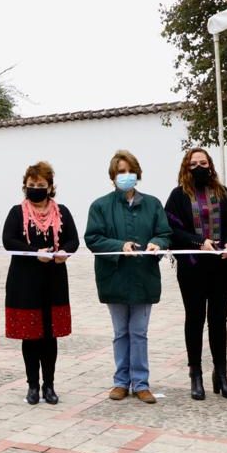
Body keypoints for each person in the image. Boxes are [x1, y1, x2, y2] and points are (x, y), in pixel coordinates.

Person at [85, 150, 172, 404]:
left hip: (144, 276)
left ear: (137, 174)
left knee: (139, 332)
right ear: (113, 176)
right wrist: (119, 246)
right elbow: (93, 238)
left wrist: (157, 243)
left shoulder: (153, 204)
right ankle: (121, 382)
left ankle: (142, 383)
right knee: (120, 332)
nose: (126, 176)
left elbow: (165, 233)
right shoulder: (100, 206)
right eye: (120, 171)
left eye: (129, 171)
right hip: (114, 277)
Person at [164, 147, 227, 401]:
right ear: (186, 167)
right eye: (194, 163)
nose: (199, 167)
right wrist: (200, 243)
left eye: (203, 162)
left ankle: (221, 375)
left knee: (219, 320)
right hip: (192, 267)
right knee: (194, 319)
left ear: (210, 165)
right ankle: (195, 375)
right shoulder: (178, 195)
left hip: (221, 265)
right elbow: (172, 229)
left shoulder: (222, 192)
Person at [1, 161, 79, 405]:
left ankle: (49, 385)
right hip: (25, 282)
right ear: (25, 186)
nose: (36, 188)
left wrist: (64, 251)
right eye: (32, 184)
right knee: (30, 335)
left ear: (50, 186)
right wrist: (35, 252)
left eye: (41, 184)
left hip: (54, 281)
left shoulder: (62, 212)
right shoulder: (17, 212)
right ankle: (32, 385)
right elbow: (9, 241)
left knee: (49, 335)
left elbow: (73, 240)